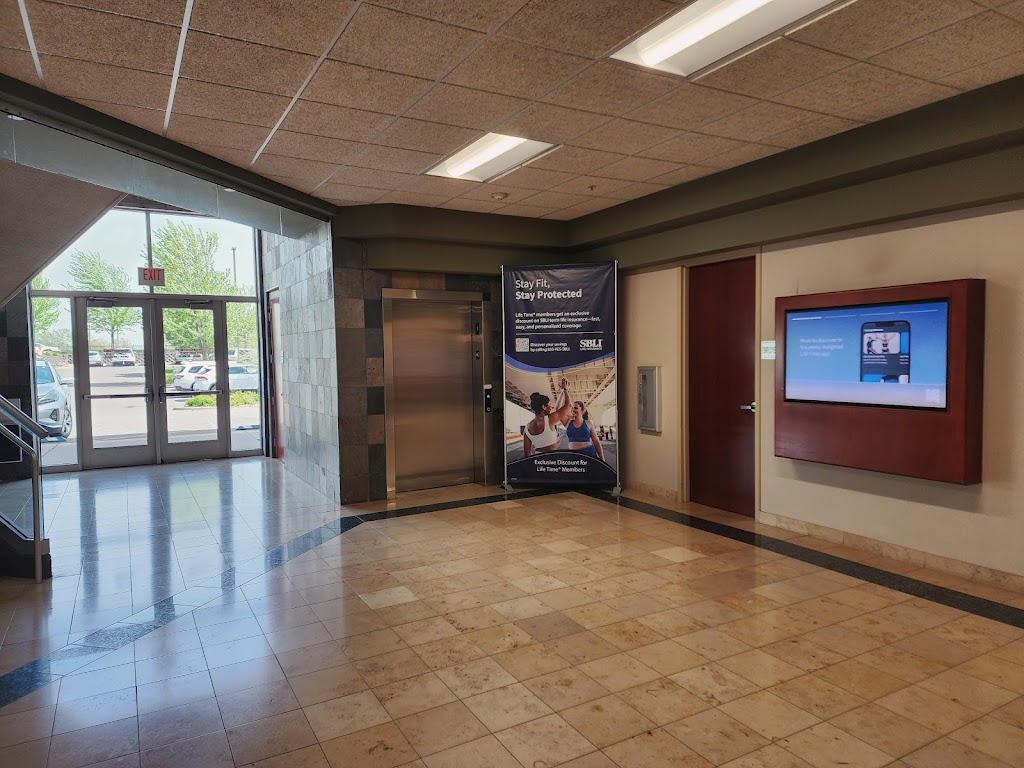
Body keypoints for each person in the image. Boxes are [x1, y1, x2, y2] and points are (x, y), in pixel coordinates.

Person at [523, 378, 572, 457]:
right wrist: (565, 390)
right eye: (549, 405)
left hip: (538, 460)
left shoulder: (527, 428)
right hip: (552, 458)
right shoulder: (550, 419)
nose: (550, 408)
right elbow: (567, 406)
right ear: (543, 407)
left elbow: (527, 454)